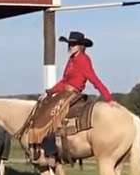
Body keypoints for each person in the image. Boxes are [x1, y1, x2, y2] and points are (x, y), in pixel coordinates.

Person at [30, 31, 115, 163]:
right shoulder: (71, 60)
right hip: (64, 92)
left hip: (72, 94)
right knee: (45, 110)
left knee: (51, 116)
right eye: (69, 44)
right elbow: (64, 81)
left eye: (73, 44)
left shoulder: (83, 59)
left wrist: (108, 98)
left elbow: (94, 79)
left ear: (80, 46)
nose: (70, 46)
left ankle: (51, 154)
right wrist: (49, 92)